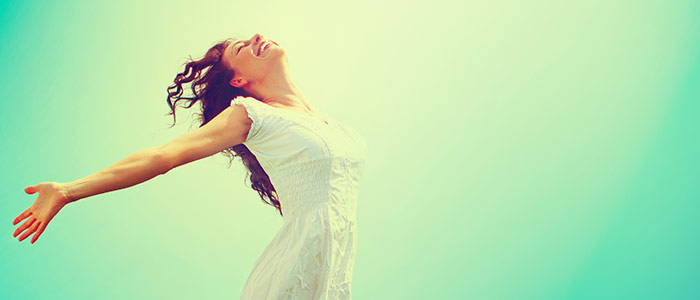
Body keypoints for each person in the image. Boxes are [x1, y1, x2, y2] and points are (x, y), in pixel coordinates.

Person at [12, 33, 368, 299]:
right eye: (241, 48)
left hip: (333, 278)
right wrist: (68, 190)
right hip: (291, 275)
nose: (257, 37)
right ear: (238, 81)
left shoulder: (336, 127)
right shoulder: (251, 114)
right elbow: (163, 156)